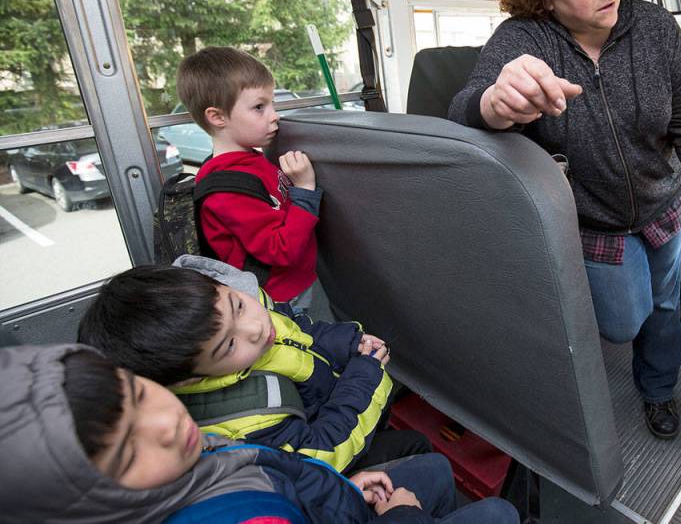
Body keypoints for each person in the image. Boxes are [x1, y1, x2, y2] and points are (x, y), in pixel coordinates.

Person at [447, 0, 681, 440]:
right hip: (596, 218)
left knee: (668, 303)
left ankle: (658, 390)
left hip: (667, 203)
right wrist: (494, 103)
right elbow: (464, 108)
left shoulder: (656, 28)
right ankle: (642, 346)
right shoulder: (523, 38)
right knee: (628, 317)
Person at [0, 343, 520, 524]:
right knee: (498, 512)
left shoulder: (193, 452)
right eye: (126, 452)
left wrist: (343, 488)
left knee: (429, 465)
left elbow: (281, 469)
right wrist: (403, 517)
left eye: (136, 394)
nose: (164, 424)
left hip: (331, 500)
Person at [77, 255, 428, 474]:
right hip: (333, 449)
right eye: (229, 344)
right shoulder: (244, 418)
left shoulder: (242, 306)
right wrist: (364, 376)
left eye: (239, 307)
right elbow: (320, 455)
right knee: (419, 451)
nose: (257, 328)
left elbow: (301, 331)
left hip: (343, 397)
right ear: (187, 380)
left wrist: (351, 343)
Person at [177, 46, 320, 313]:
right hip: (277, 301)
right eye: (259, 107)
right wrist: (305, 189)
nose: (274, 115)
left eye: (272, 104)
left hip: (293, 285)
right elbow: (281, 249)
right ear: (217, 117)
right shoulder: (228, 190)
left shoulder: (252, 160)